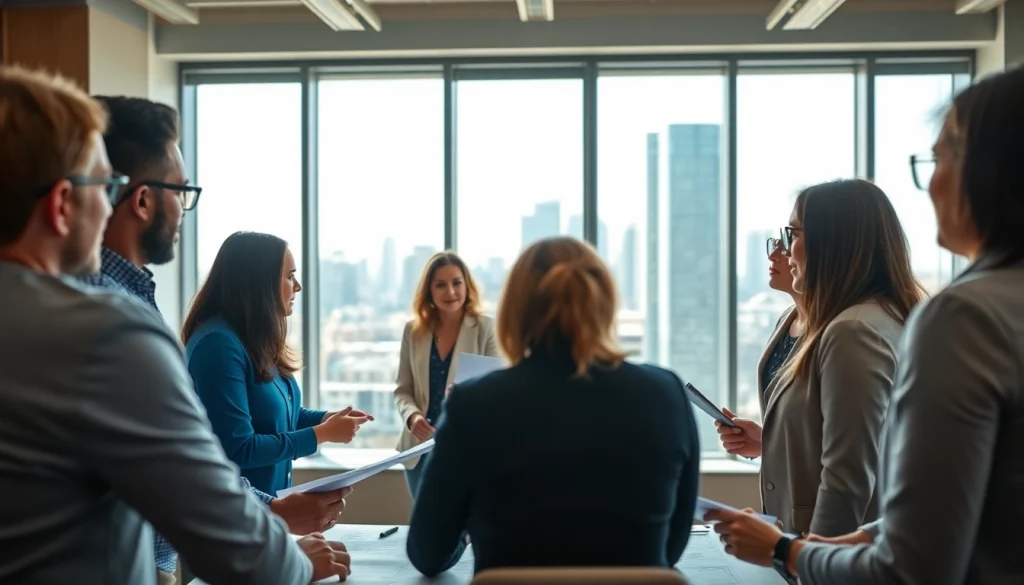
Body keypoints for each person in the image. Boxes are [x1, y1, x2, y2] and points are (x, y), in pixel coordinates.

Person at [0, 65, 348, 584]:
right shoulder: (107, 333)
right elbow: (228, 542)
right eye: (105, 185)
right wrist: (295, 563)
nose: (110, 205)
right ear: (62, 204)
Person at [708, 64, 1024, 585]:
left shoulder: (959, 318)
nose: (931, 183)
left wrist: (790, 553)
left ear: (991, 172)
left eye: (940, 158)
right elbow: (970, 500)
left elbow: (863, 491)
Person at [406, 236, 701, 577]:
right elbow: (671, 548)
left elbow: (428, 554)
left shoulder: (472, 405)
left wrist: (473, 520)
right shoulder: (666, 394)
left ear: (516, 311)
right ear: (605, 300)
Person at [717, 179, 924, 537]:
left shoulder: (854, 331)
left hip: (829, 550)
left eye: (793, 234)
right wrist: (769, 443)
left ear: (833, 243)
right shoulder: (816, 321)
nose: (783, 249)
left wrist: (804, 558)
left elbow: (848, 476)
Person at [183, 231, 373, 496]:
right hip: (232, 511)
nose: (298, 287)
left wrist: (326, 420)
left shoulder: (251, 338)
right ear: (259, 283)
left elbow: (275, 415)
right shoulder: (217, 345)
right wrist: (321, 434)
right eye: (290, 276)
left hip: (266, 511)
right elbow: (237, 448)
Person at [393, 251, 499, 498]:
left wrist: (467, 395)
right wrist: (412, 417)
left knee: (465, 521)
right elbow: (403, 389)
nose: (450, 292)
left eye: (456, 283)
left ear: (467, 286)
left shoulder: (486, 328)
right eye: (440, 285)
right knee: (426, 522)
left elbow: (496, 390)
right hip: (419, 450)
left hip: (467, 448)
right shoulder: (413, 331)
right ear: (429, 291)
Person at [719, 233, 806, 456]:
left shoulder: (840, 332)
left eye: (788, 242)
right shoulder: (786, 320)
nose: (773, 255)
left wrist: (770, 442)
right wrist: (764, 445)